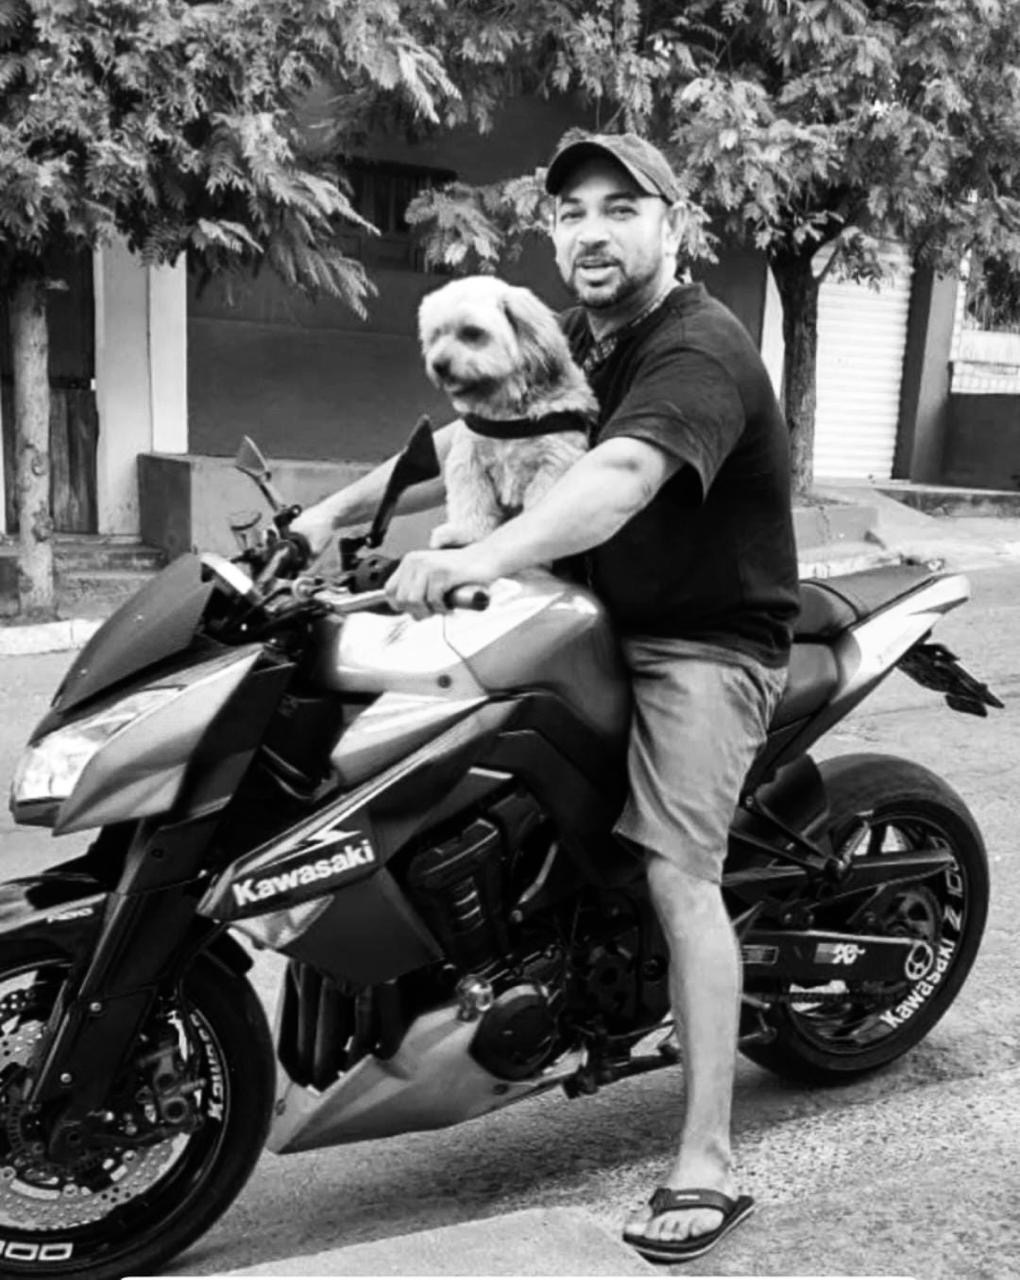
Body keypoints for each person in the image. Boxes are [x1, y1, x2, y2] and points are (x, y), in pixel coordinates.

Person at [292, 130, 799, 1264]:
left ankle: (707, 1157)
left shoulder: (697, 347)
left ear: (673, 223)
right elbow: (467, 435)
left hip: (699, 641)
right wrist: (325, 516)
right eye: (572, 213)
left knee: (678, 873)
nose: (592, 232)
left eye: (622, 208)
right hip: (585, 617)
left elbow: (618, 479)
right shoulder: (573, 340)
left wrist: (475, 555)